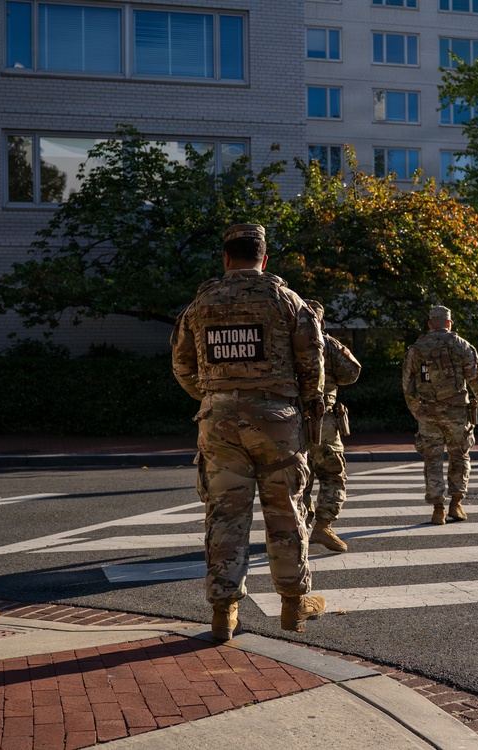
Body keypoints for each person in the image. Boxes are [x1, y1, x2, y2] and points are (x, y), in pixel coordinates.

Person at [170, 223, 327, 641]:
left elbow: (182, 367)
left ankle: (224, 611)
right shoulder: (287, 301)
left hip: (217, 422)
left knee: (225, 514)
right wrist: (294, 405)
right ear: (264, 257)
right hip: (277, 421)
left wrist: (216, 397)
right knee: (285, 511)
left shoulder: (200, 305)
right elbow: (313, 368)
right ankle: (293, 605)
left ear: (226, 258)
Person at [402, 306, 478, 525]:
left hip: (428, 412)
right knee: (460, 455)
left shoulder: (417, 349)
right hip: (457, 412)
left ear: (430, 324)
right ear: (450, 323)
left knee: (432, 459)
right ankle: (456, 503)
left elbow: (408, 383)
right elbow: (476, 380)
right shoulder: (462, 346)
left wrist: (414, 407)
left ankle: (437, 509)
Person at [303, 300, 362, 553]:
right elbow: (352, 372)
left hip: (287, 421)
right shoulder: (327, 343)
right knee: (332, 475)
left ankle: (299, 528)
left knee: (296, 479)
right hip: (323, 420)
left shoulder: (281, 343)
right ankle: (323, 525)